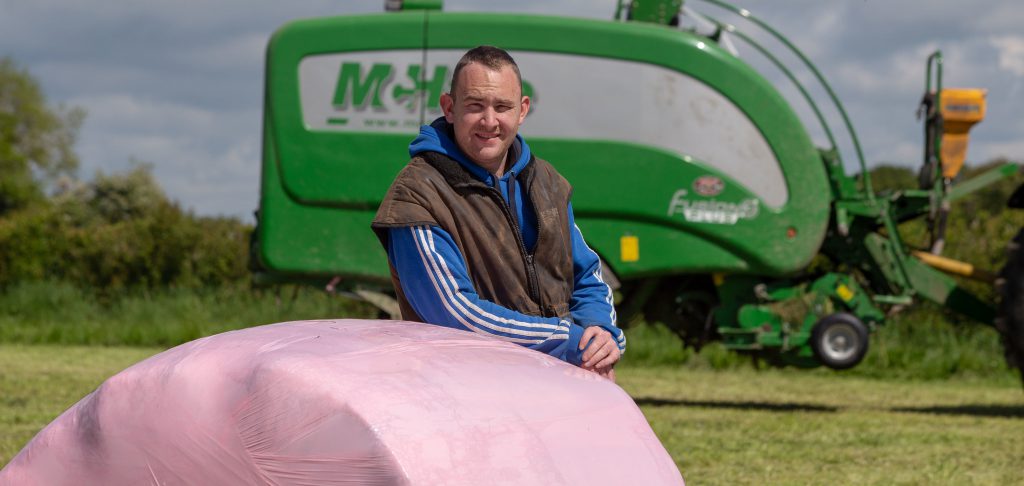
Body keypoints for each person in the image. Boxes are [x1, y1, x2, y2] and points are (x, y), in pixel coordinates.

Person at [371, 46, 624, 379]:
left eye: (502, 107)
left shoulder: (546, 182)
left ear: (522, 111)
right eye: (475, 105)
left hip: (557, 384)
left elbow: (587, 275)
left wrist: (599, 333)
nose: (489, 121)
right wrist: (569, 340)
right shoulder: (418, 195)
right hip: (466, 389)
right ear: (449, 107)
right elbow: (455, 314)